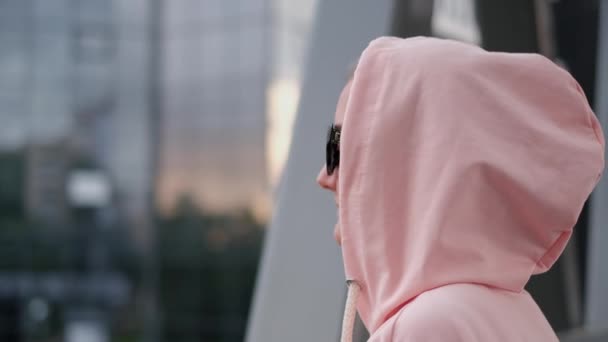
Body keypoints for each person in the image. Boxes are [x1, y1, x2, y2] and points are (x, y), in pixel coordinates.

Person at [316, 36, 605, 341]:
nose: (324, 175)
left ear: (405, 152)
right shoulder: (510, 310)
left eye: (338, 145)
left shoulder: (426, 328)